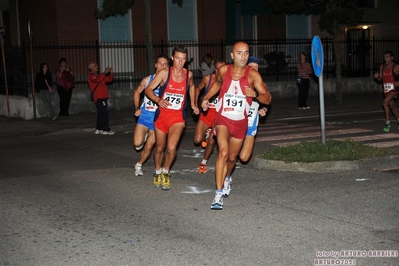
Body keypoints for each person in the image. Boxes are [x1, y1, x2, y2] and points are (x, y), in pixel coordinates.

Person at [201, 41, 272, 210]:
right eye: (239, 53)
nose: (243, 56)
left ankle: (227, 177)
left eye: (246, 53)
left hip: (241, 121)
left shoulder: (253, 75)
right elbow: (217, 84)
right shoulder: (223, 70)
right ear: (232, 55)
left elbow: (267, 98)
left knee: (233, 158)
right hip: (223, 118)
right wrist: (206, 99)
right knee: (223, 152)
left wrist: (255, 94)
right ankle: (218, 195)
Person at [145, 46, 198, 190]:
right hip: (161, 116)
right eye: (177, 58)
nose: (180, 62)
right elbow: (148, 90)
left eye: (183, 59)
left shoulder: (189, 75)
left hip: (178, 117)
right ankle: (157, 172)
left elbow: (192, 87)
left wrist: (193, 103)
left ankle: (166, 172)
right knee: (160, 148)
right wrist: (157, 100)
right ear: (172, 58)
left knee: (171, 147)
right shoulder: (163, 73)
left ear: (186, 60)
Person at [222, 56, 268, 196]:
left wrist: (264, 109)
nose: (254, 69)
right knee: (230, 156)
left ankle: (227, 175)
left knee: (244, 157)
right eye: (251, 66)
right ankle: (226, 178)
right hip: (234, 122)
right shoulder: (237, 80)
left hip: (250, 124)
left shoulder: (260, 83)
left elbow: (267, 99)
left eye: (256, 67)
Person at [132, 54, 169, 177]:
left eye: (165, 64)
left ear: (168, 66)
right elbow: (137, 91)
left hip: (158, 119)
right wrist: (137, 107)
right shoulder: (147, 80)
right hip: (145, 115)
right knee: (137, 143)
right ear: (155, 65)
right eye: (160, 63)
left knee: (149, 146)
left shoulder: (169, 83)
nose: (162, 66)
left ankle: (139, 165)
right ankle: (143, 136)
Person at [194, 59, 226, 174]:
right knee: (197, 140)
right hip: (206, 113)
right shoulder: (208, 79)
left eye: (223, 67)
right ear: (215, 69)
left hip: (218, 116)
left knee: (212, 141)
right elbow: (197, 90)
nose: (221, 70)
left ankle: (203, 162)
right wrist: (195, 104)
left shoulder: (229, 81)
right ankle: (206, 134)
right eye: (218, 68)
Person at [374, 51, 399, 132]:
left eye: (387, 57)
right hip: (386, 89)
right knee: (392, 106)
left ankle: (387, 123)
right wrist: (377, 77)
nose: (386, 58)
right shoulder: (382, 67)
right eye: (385, 57)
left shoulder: (396, 67)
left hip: (394, 89)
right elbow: (380, 79)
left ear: (392, 58)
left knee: (385, 102)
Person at [87, 62, 115, 135]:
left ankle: (99, 128)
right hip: (99, 96)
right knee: (104, 113)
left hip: (102, 96)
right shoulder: (91, 76)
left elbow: (109, 80)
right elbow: (97, 80)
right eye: (95, 66)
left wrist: (111, 73)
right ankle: (106, 129)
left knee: (100, 113)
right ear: (91, 68)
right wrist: (104, 73)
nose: (97, 67)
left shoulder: (99, 75)